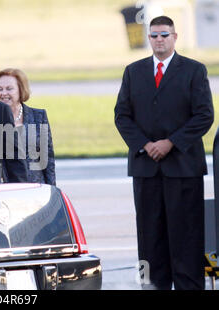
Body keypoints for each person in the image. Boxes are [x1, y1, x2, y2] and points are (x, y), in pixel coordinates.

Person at [114, 15, 214, 290]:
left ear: (175, 37)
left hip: (183, 168)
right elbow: (122, 116)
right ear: (149, 38)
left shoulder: (194, 70)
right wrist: (146, 145)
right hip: (146, 169)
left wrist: (170, 142)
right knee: (150, 239)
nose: (159, 40)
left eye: (164, 35)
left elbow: (204, 116)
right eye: (154, 35)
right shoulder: (134, 72)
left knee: (186, 237)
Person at [0, 68, 56, 185]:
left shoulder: (39, 116)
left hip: (35, 188)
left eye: (9, 89)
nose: (3, 93)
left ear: (21, 90)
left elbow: (47, 161)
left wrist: (51, 191)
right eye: (0, 89)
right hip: (5, 190)